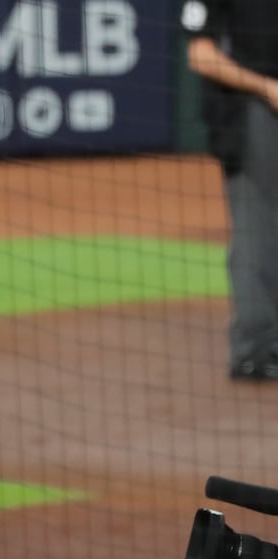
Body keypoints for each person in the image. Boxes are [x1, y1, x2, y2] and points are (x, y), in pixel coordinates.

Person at [182, 0, 278, 380]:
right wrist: (267, 86)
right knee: (258, 228)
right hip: (250, 113)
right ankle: (256, 348)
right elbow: (201, 56)